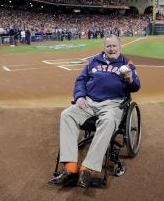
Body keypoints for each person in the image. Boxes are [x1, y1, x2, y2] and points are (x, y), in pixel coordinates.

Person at [48, 34, 141, 188]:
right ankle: (70, 167)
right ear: (104, 48)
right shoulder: (92, 61)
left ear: (119, 47)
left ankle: (87, 169)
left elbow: (136, 87)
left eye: (114, 46)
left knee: (108, 121)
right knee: (67, 115)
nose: (111, 49)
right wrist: (79, 97)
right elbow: (81, 80)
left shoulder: (127, 63)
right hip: (89, 102)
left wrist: (130, 79)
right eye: (108, 46)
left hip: (112, 104)